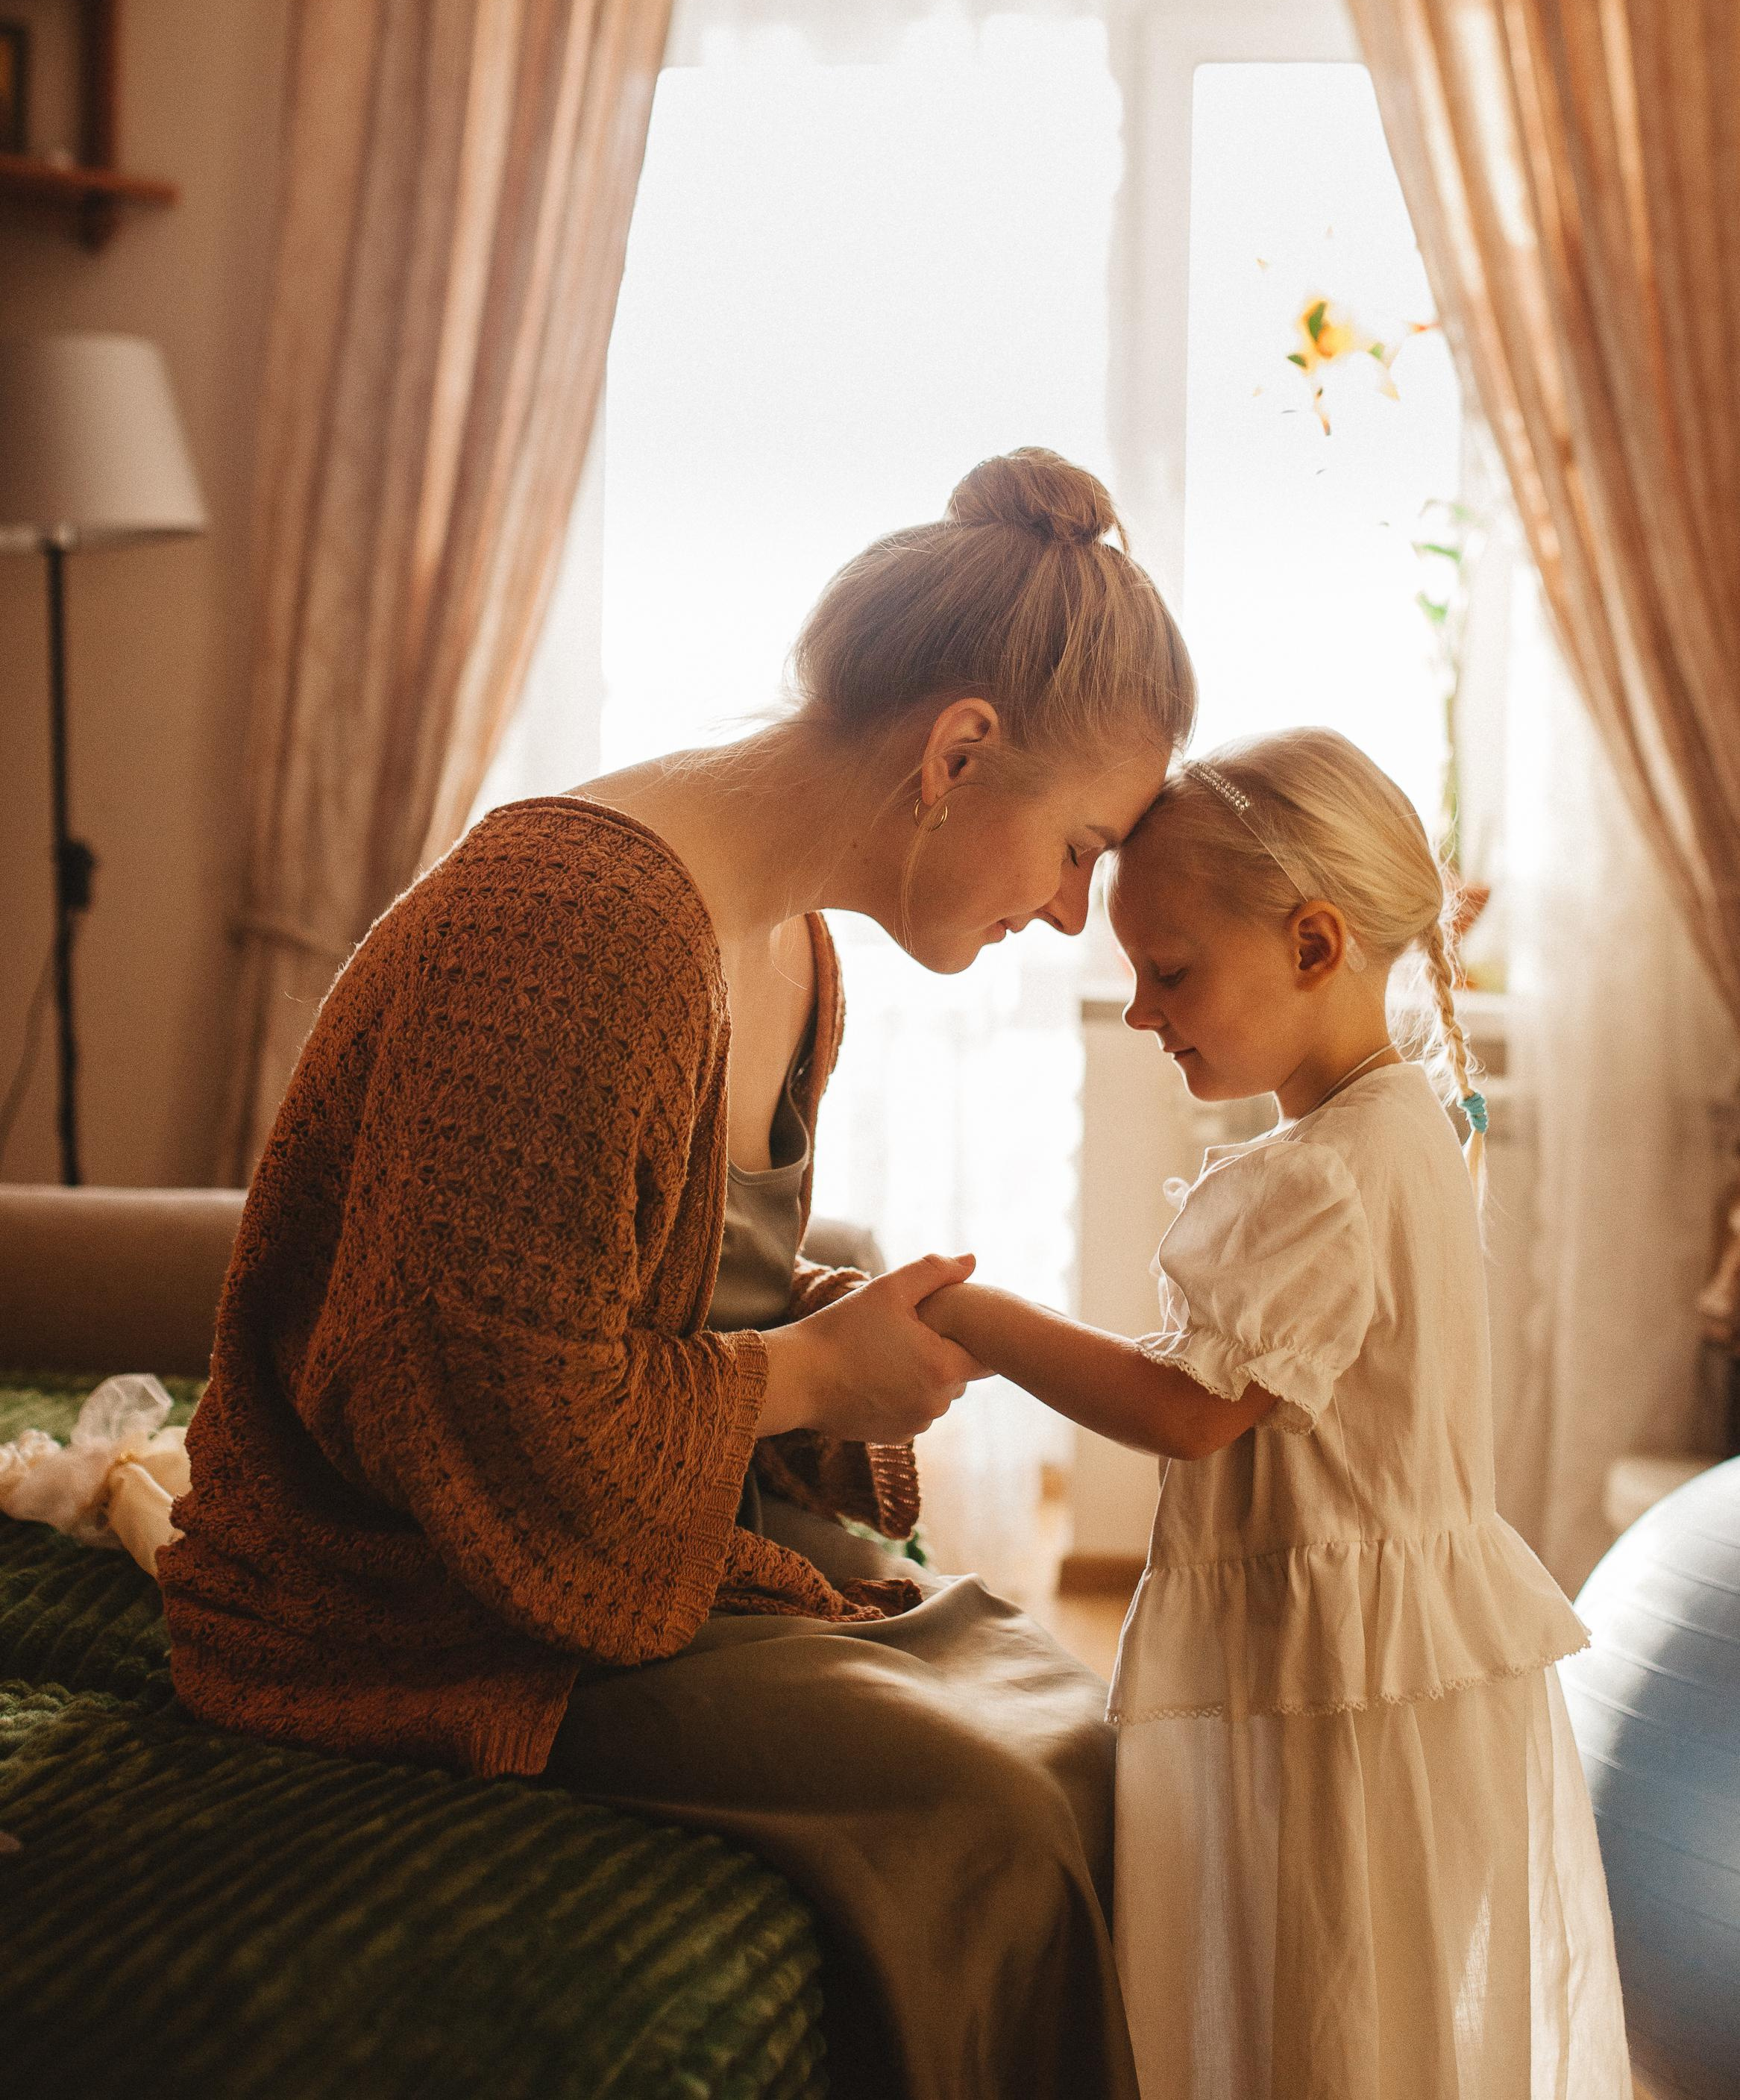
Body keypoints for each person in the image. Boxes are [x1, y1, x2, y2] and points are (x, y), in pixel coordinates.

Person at [160, 448, 1196, 2100]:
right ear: (959, 749)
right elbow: (495, 1419)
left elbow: (677, 1303)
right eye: (1078, 850)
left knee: (1079, 1728)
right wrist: (812, 1377)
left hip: (639, 1540)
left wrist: (843, 1349)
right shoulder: (570, 927)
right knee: (998, 1812)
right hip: (426, 1592)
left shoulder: (794, 949)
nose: (1073, 916)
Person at [920, 727, 1631, 2100]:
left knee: (1316, 2002)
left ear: (1313, 945)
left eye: (1167, 972)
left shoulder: (1320, 1176)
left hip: (1336, 1683)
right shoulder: (1407, 1125)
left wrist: (976, 1321)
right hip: (1392, 1665)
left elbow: (1188, 1412)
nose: (1140, 1012)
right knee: (1369, 2006)